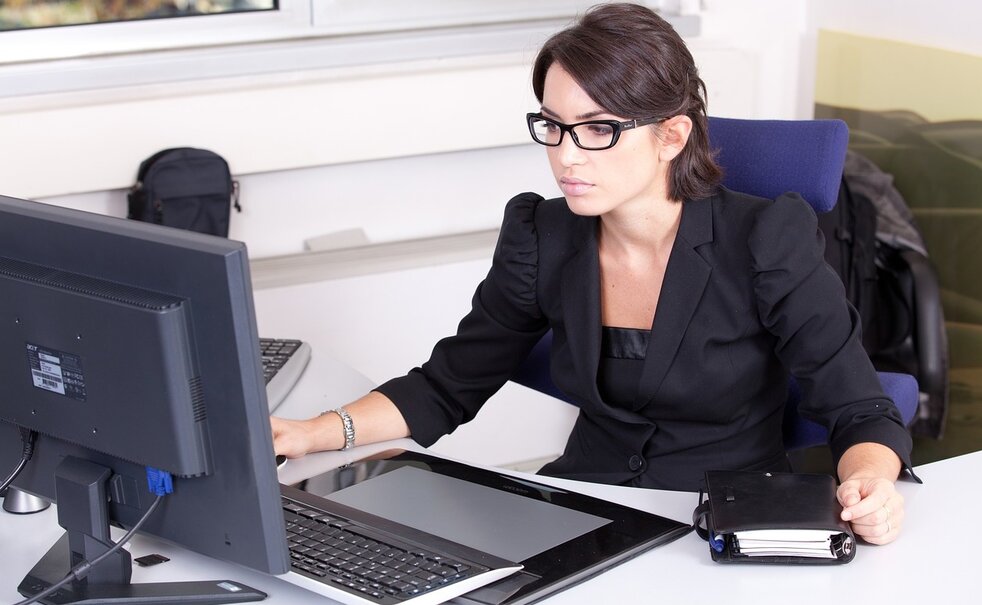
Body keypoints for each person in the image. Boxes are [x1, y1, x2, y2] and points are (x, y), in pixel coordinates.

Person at [272, 2, 913, 546]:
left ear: (671, 136)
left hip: (718, 521)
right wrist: (312, 432)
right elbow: (449, 385)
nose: (565, 156)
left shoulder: (765, 238)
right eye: (553, 126)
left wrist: (873, 484)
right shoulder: (543, 234)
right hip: (584, 508)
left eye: (599, 129)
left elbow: (861, 408)